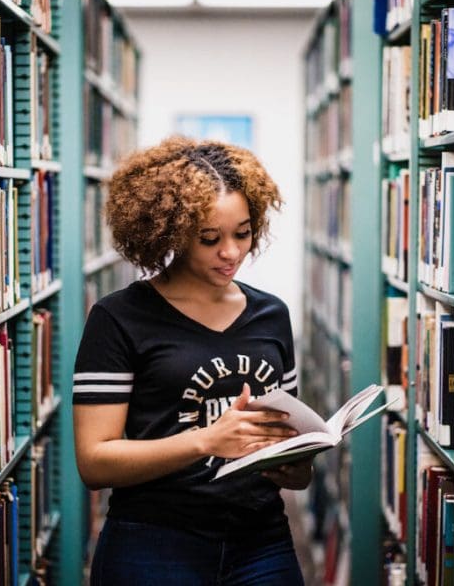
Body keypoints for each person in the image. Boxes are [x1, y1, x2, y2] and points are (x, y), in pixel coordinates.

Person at [73, 136, 312, 585]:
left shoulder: (272, 315)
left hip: (262, 538)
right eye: (209, 238)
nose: (231, 252)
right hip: (155, 541)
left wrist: (294, 463)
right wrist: (206, 441)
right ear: (171, 232)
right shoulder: (119, 317)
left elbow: (291, 458)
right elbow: (94, 461)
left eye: (243, 233)